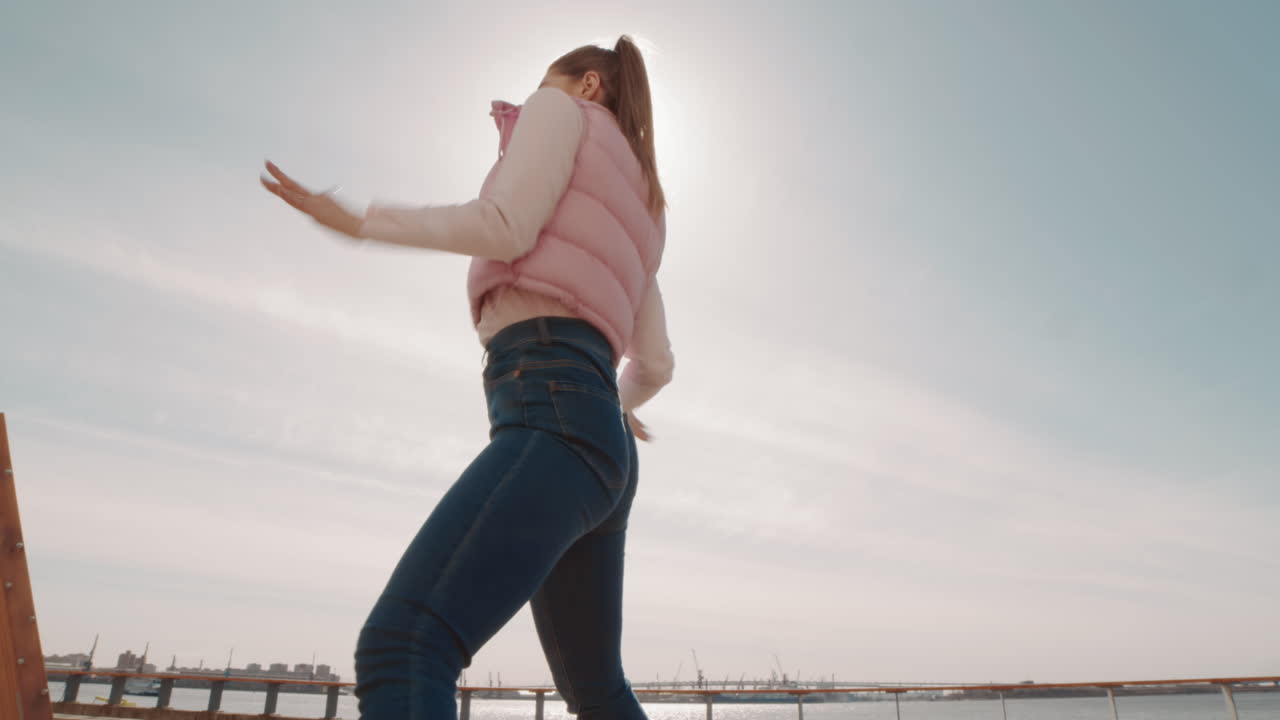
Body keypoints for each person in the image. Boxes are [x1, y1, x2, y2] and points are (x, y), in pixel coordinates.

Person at [260, 35, 673, 720]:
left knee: (403, 646)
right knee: (597, 689)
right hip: (604, 445)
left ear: (590, 85)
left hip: (551, 408)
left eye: (547, 80)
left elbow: (506, 226)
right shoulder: (644, 202)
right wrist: (612, 403)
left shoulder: (560, 110)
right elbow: (656, 362)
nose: (535, 90)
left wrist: (360, 221)